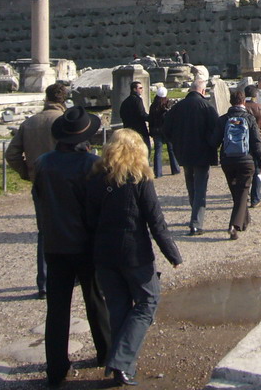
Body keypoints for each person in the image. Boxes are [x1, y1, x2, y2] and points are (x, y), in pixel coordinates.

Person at [87, 129, 182, 386]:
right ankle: (121, 359)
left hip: (105, 253)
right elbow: (155, 219)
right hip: (134, 252)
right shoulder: (138, 178)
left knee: (118, 306)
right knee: (147, 301)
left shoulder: (96, 178)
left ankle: (120, 363)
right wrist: (172, 253)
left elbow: (89, 219)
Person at [32, 107, 111, 389]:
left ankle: (56, 367)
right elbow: (98, 206)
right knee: (96, 299)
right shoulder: (93, 164)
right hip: (85, 242)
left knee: (57, 308)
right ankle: (105, 352)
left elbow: (39, 199)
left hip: (54, 243)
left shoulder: (42, 163)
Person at [5, 81, 69, 298]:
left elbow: (11, 154)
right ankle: (71, 275)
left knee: (45, 232)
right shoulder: (64, 121)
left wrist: (27, 172)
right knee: (72, 227)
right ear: (64, 99)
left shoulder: (29, 122)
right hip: (66, 182)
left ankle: (43, 282)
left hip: (40, 182)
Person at [163, 78, 221, 235]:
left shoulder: (177, 108)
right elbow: (217, 130)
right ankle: (196, 222)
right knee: (201, 187)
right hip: (202, 153)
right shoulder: (206, 107)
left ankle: (194, 214)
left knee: (190, 184)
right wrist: (212, 144)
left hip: (183, 152)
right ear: (202, 91)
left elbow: (166, 130)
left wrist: (175, 143)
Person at [217, 90, 261, 239]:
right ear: (244, 102)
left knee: (236, 192)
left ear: (231, 102)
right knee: (243, 192)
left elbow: (214, 140)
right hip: (246, 160)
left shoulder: (223, 119)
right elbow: (257, 142)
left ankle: (244, 220)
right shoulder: (250, 118)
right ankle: (234, 225)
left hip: (228, 160)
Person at [243, 84, 261, 208]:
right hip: (257, 141)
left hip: (242, 142)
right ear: (256, 95)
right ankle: (255, 198)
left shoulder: (241, 108)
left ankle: (245, 196)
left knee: (244, 170)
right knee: (258, 170)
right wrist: (260, 135)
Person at [147, 86, 180, 179]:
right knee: (171, 149)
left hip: (156, 130)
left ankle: (157, 172)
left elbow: (151, 120)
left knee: (158, 151)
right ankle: (175, 169)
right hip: (166, 130)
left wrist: (151, 130)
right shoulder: (167, 105)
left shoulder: (153, 106)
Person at [119, 81, 151, 151]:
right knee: (145, 149)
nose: (142, 90)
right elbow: (142, 114)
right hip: (139, 129)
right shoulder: (137, 100)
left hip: (128, 129)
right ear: (134, 89)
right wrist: (152, 118)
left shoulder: (125, 102)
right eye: (140, 88)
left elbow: (121, 114)